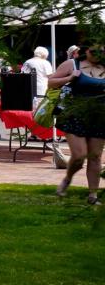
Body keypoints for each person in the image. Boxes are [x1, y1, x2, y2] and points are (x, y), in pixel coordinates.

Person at [48, 42, 105, 204]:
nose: (97, 54)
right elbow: (51, 82)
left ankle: (92, 195)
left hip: (99, 117)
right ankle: (67, 179)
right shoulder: (72, 64)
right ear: (85, 50)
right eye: (93, 50)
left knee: (95, 156)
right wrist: (70, 77)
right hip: (74, 114)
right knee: (79, 156)